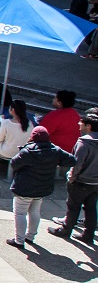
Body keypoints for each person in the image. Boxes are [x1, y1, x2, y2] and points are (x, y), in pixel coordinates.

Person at [8, 126, 66, 249]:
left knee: (20, 213)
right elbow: (71, 160)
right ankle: (31, 236)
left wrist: (22, 150)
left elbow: (13, 163)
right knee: (34, 211)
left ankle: (19, 240)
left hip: (24, 187)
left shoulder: (28, 151)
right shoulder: (55, 150)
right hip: (42, 188)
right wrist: (55, 162)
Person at [51, 109, 98, 243]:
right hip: (95, 183)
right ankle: (88, 235)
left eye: (81, 122)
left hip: (81, 181)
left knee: (73, 207)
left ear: (88, 126)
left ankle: (65, 230)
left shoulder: (84, 142)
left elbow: (77, 164)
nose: (78, 124)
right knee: (90, 208)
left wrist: (71, 177)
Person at [43, 90, 84, 155]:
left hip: (54, 152)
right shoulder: (75, 114)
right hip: (70, 152)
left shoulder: (54, 115)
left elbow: (41, 133)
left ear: (59, 103)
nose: (53, 100)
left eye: (55, 98)